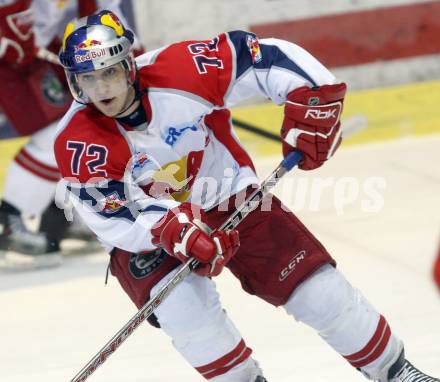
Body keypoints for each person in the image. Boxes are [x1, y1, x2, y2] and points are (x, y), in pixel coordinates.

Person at [54, 10, 439, 382]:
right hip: (149, 233)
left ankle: (397, 372)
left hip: (224, 192)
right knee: (189, 316)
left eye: (109, 73)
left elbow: (261, 57)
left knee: (317, 289)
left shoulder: (181, 69)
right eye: (88, 79)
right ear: (74, 82)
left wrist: (315, 96)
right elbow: (114, 213)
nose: (102, 89)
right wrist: (176, 230)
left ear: (129, 66)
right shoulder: (77, 141)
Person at [0, 0, 142, 269]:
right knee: (56, 132)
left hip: (37, 50)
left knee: (73, 123)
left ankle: (60, 215)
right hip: (10, 57)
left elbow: (102, 16)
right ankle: (10, 220)